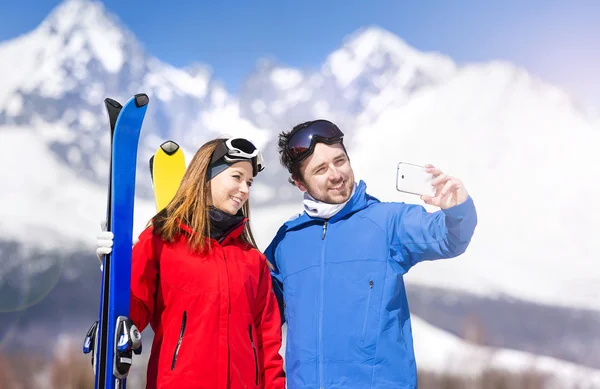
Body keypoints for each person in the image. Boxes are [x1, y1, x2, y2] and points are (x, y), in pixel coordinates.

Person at [264, 120, 478, 389]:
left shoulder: (387, 222)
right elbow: (255, 311)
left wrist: (457, 209)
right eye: (320, 169)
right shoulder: (286, 242)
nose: (335, 174)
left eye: (339, 161)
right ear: (299, 183)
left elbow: (450, 238)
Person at [96, 137, 285, 389]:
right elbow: (132, 313)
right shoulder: (162, 241)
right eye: (237, 177)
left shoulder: (253, 261)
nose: (245, 190)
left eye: (249, 182)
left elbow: (267, 343)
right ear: (205, 176)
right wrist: (115, 271)